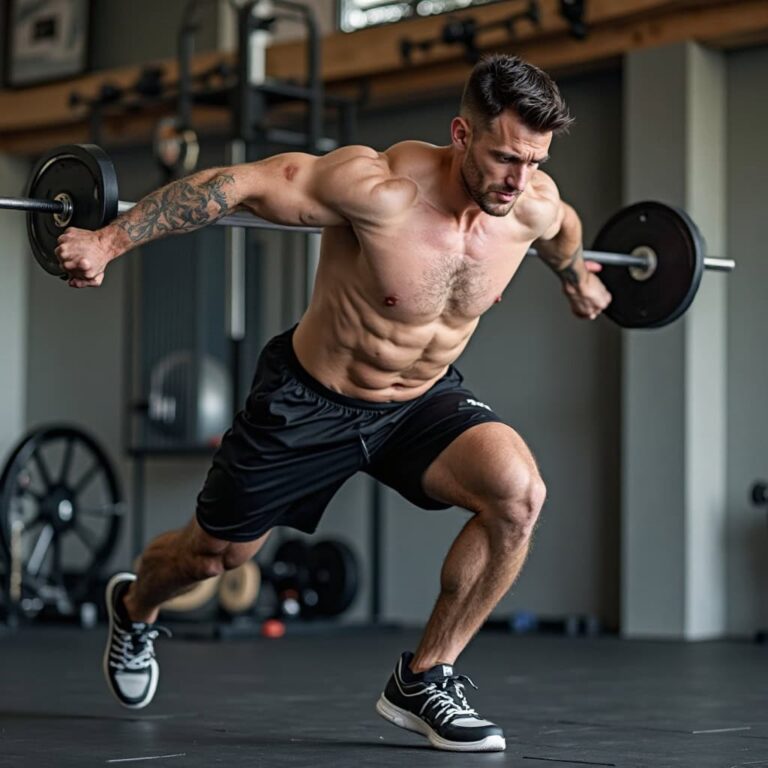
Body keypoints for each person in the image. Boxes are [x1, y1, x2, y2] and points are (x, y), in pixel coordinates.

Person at [55, 53, 611, 753]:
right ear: (462, 134)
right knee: (213, 558)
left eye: (534, 161)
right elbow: (237, 186)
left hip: (419, 402)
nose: (518, 179)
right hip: (309, 401)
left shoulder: (531, 202)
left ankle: (424, 677)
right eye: (505, 157)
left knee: (519, 496)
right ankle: (134, 606)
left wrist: (577, 280)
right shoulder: (378, 189)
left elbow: (563, 232)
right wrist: (107, 240)